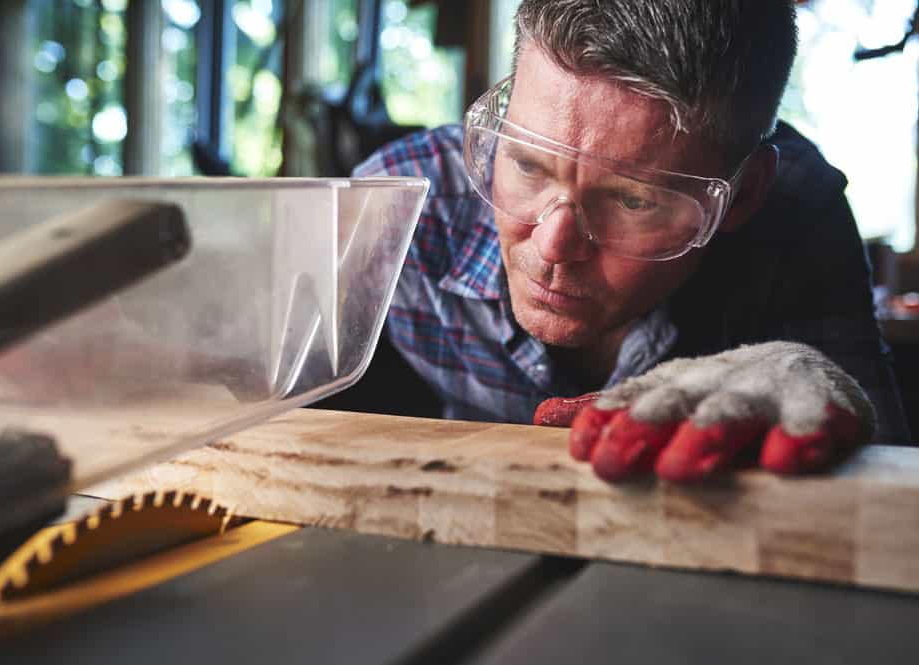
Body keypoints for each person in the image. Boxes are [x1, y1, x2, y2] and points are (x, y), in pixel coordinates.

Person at [353, 0, 912, 481]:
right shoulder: (404, 206)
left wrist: (827, 388)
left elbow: (889, 503)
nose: (553, 245)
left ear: (741, 196)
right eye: (526, 164)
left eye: (632, 200)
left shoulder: (795, 212)